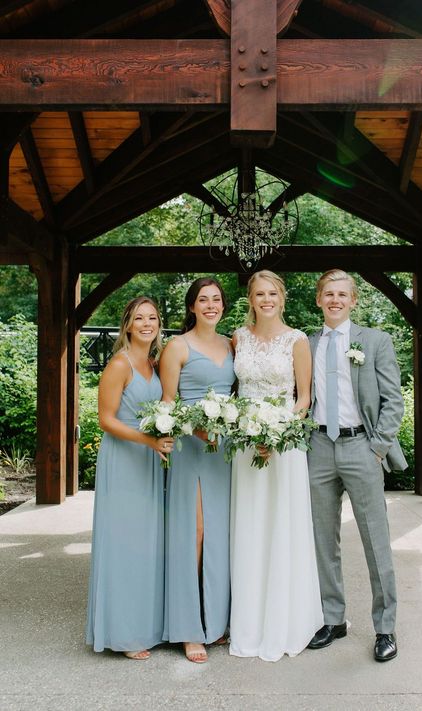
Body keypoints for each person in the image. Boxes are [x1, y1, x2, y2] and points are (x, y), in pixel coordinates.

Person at [307, 269, 407, 662]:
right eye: (328, 294)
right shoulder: (307, 342)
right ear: (319, 300)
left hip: (361, 446)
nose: (334, 300)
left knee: (375, 539)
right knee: (322, 539)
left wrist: (378, 448)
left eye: (342, 294)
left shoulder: (375, 341)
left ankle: (385, 627)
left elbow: (393, 400)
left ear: (353, 300)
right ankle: (334, 619)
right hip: (317, 446)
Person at [229, 270, 324, 662]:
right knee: (250, 525)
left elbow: (304, 398)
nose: (266, 299)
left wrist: (275, 431)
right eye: (259, 294)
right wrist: (247, 429)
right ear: (250, 299)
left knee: (282, 524)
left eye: (272, 293)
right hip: (243, 443)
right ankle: (248, 621)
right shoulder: (238, 336)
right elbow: (234, 390)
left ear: (281, 298)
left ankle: (286, 620)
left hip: (282, 444)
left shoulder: (297, 340)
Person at [86, 296, 174, 660]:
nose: (147, 324)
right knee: (124, 543)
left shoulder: (154, 363)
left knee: (147, 543)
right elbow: (106, 419)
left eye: (152, 317)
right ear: (127, 325)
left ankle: (146, 625)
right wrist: (149, 440)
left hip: (150, 461)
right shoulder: (120, 364)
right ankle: (122, 633)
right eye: (139, 318)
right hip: (125, 460)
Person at [159, 277, 234, 664]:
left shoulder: (231, 344)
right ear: (192, 306)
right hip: (192, 449)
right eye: (203, 300)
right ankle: (189, 628)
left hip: (225, 453)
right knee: (197, 532)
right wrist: (197, 428)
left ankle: (216, 622)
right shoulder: (177, 346)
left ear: (223, 305)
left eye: (216, 299)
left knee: (221, 535)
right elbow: (167, 404)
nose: (210, 305)